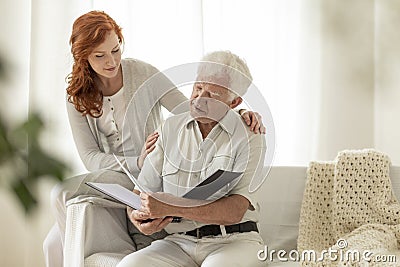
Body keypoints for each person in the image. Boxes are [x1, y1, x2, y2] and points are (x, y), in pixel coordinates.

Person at [42, 11, 265, 267]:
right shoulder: (77, 95)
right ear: (83, 57)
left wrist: (237, 114)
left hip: (154, 173)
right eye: (100, 55)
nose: (112, 61)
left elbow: (190, 109)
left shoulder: (143, 73)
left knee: (57, 236)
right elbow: (90, 157)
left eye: (116, 50)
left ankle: (129, 247)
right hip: (120, 172)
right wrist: (139, 161)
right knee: (58, 208)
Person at [118, 50, 266, 267]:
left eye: (213, 95)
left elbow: (235, 210)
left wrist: (170, 207)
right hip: (179, 242)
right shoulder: (169, 128)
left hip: (234, 241)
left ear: (234, 102)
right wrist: (138, 218)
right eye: (198, 88)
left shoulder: (250, 134)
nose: (199, 99)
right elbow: (140, 193)